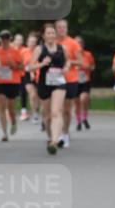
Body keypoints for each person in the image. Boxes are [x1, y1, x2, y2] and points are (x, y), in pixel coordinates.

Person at [26, 22, 69, 154]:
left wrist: (66, 68)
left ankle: (55, 141)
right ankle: (51, 138)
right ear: (44, 36)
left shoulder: (62, 48)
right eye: (48, 33)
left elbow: (68, 61)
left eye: (53, 33)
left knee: (56, 111)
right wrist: (42, 64)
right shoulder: (39, 49)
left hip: (59, 83)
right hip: (44, 84)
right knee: (47, 116)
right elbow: (30, 67)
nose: (51, 35)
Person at [55, 19, 83, 149]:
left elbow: (81, 61)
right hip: (55, 80)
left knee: (66, 109)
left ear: (67, 28)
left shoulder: (73, 43)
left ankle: (65, 134)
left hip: (70, 79)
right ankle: (58, 134)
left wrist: (69, 62)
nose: (62, 29)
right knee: (57, 109)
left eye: (64, 27)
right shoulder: (52, 42)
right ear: (56, 29)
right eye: (59, 27)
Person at [0, 30, 25, 142]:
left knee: (11, 108)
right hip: (0, 82)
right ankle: (4, 133)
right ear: (0, 39)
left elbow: (22, 67)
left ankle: (13, 122)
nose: (5, 40)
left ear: (10, 39)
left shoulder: (15, 51)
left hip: (13, 82)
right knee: (2, 107)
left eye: (7, 38)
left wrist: (13, 65)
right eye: (3, 38)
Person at [75, 36, 95, 131]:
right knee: (76, 102)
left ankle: (84, 117)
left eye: (80, 43)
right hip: (74, 81)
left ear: (83, 44)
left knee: (84, 99)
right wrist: (76, 68)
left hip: (85, 80)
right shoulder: (71, 55)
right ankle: (78, 121)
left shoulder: (88, 54)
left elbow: (93, 66)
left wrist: (88, 67)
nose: (78, 45)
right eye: (76, 43)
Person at [20, 32, 40, 124]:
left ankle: (37, 109)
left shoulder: (39, 51)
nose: (32, 44)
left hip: (38, 74)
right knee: (32, 95)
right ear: (27, 43)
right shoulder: (23, 51)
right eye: (30, 42)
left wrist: (34, 70)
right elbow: (20, 64)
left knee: (38, 95)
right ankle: (35, 114)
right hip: (27, 74)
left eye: (34, 42)